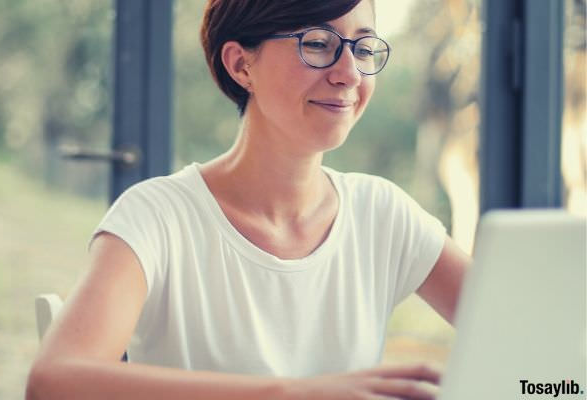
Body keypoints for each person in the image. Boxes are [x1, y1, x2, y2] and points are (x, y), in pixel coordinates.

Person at [26, 0, 471, 399]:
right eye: (317, 44)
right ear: (241, 65)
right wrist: (292, 394)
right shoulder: (158, 216)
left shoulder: (383, 214)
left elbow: (519, 322)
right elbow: (53, 381)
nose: (349, 73)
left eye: (364, 48)